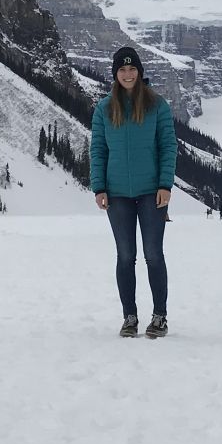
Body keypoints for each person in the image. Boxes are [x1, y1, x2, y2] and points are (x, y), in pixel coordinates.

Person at [90, 45, 176, 339]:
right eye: (122, 70)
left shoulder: (157, 105)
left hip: (152, 193)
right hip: (116, 194)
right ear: (115, 74)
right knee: (125, 256)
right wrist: (99, 187)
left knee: (153, 255)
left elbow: (168, 147)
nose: (127, 74)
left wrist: (165, 185)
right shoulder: (103, 109)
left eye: (132, 69)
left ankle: (159, 316)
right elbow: (98, 150)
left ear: (140, 72)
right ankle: (130, 316)